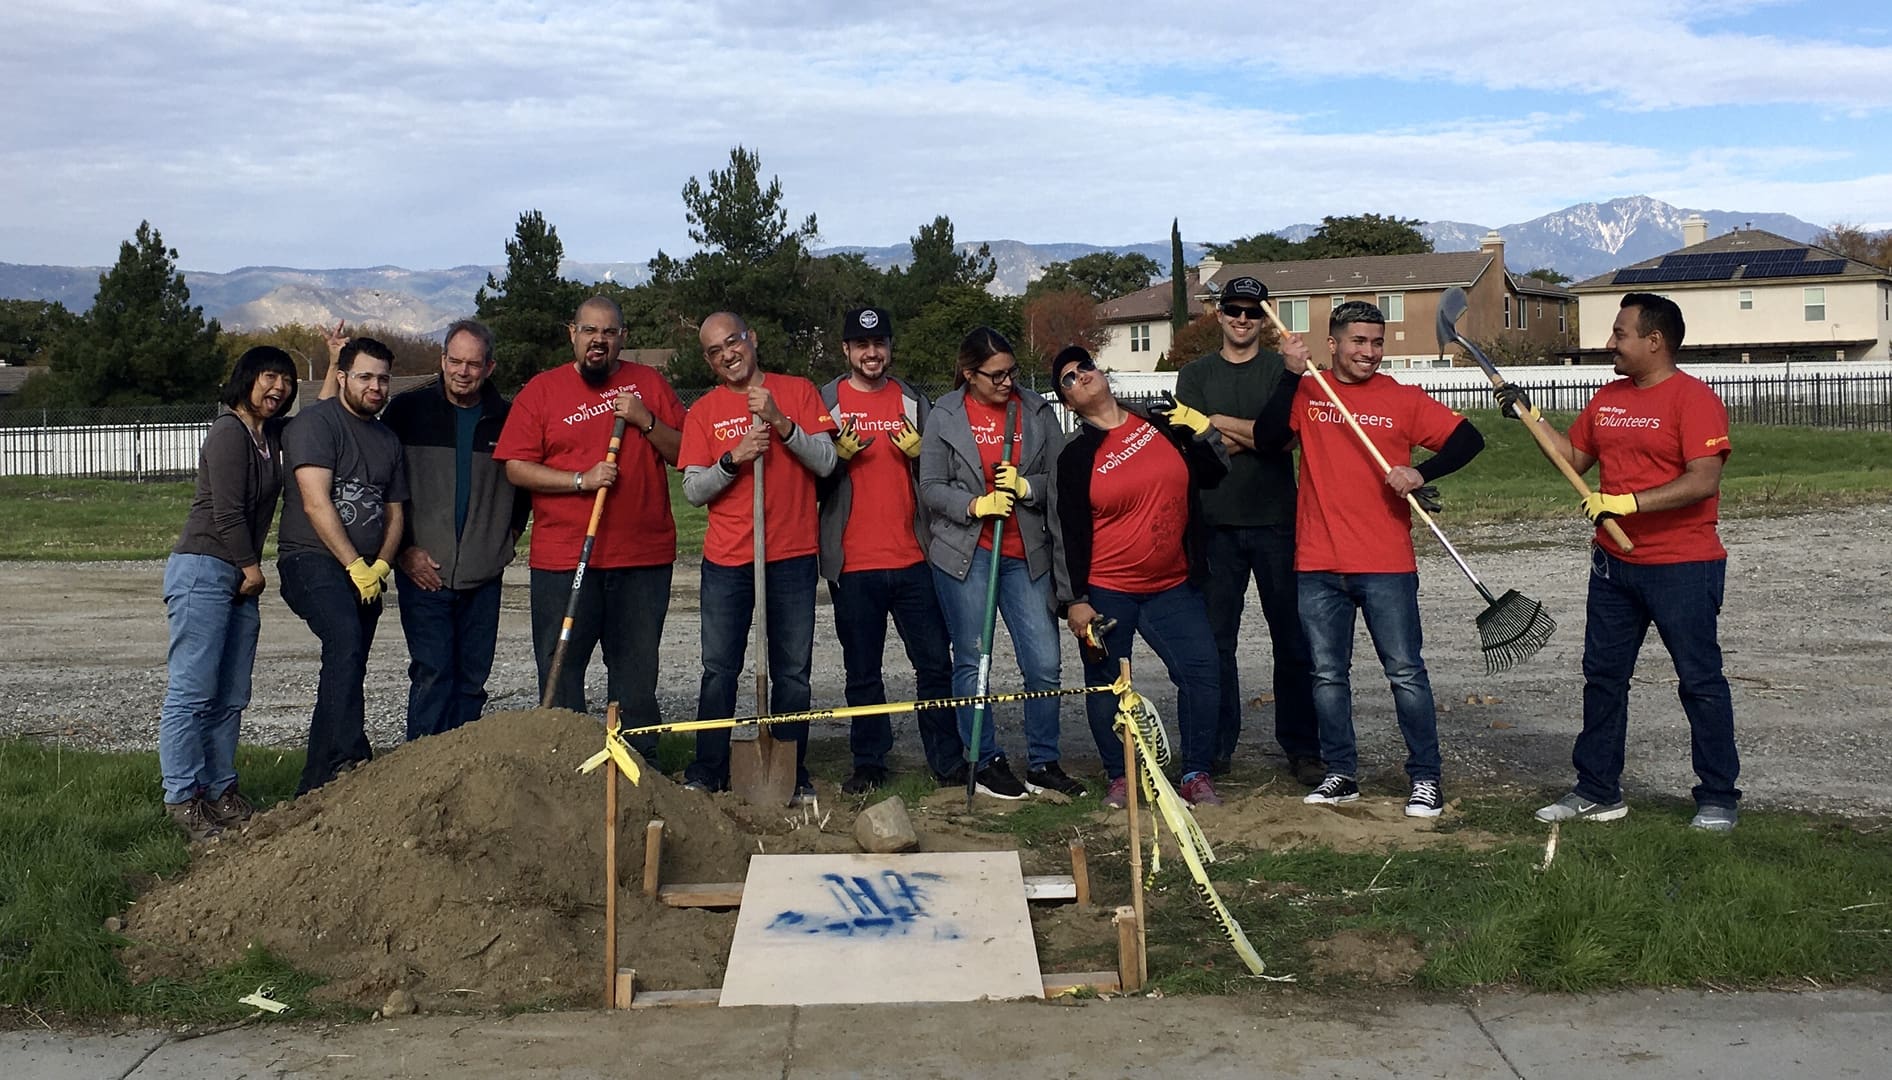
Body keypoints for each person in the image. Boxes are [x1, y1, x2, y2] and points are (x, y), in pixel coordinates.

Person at [1501, 293, 1741, 831]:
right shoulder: (1609, 398)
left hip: (1683, 566)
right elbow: (1572, 459)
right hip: (1613, 567)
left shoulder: (1693, 399)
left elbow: (1703, 480)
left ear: (1654, 341)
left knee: (1699, 680)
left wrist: (1626, 503)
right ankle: (1597, 790)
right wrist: (1530, 416)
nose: (1611, 343)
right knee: (1604, 678)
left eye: (1620, 333)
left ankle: (1718, 796)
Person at [1250, 301, 1485, 818]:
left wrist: (1422, 473)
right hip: (1317, 561)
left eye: (1377, 343)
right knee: (1327, 675)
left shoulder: (1401, 398)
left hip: (1386, 563)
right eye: (1358, 341)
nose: (1369, 352)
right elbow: (1267, 440)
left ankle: (1425, 777)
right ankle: (1341, 773)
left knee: (1405, 672)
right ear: (1332, 344)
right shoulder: (1309, 389)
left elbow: (1470, 438)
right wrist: (1289, 377)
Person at [494, 297, 685, 758]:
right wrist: (581, 480)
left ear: (623, 338)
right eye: (589, 331)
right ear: (572, 334)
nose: (598, 340)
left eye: (609, 332)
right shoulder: (541, 391)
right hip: (563, 560)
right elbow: (516, 467)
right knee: (561, 672)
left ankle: (641, 772)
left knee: (636, 678)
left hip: (642, 560)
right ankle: (568, 772)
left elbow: (683, 452)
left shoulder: (649, 384)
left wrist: (645, 419)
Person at [1047, 346, 1229, 809]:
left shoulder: (1159, 424)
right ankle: (1120, 776)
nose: (1080, 377)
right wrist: (1075, 601)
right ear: (1067, 404)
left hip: (1172, 585)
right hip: (1108, 590)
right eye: (1068, 379)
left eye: (1084, 366)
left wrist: (1202, 427)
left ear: (1100, 371)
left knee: (1202, 672)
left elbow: (1214, 473)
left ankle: (1196, 773)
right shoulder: (1075, 458)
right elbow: (1065, 531)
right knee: (1108, 682)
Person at [677, 312, 838, 799]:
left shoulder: (799, 390)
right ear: (709, 361)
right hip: (728, 559)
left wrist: (782, 424)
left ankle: (791, 768)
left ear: (753, 338)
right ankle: (709, 767)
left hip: (790, 554)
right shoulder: (703, 411)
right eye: (714, 350)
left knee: (793, 671)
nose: (727, 354)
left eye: (733, 342)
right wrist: (733, 459)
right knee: (718, 669)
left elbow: (828, 462)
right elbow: (692, 490)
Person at [919, 327, 1083, 800]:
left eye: (1011, 372)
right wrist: (975, 505)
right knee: (973, 660)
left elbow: (1061, 473)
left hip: (1024, 555)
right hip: (966, 557)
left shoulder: (1034, 409)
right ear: (969, 375)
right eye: (995, 376)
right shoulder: (945, 415)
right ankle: (985, 760)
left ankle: (1043, 762)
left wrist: (1027, 486)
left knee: (1045, 663)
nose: (1007, 382)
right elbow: (930, 486)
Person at [1172, 276, 1323, 785]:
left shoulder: (1286, 370)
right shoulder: (1194, 374)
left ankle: (1302, 749)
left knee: (1292, 640)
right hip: (1214, 526)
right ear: (1218, 314)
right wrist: (1255, 432)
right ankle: (1215, 750)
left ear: (1265, 317)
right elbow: (1195, 448)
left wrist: (1220, 424)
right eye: (1233, 310)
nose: (1242, 319)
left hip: (1278, 521)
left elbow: (1285, 440)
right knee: (1216, 643)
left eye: (1252, 312)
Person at [817, 307, 965, 793]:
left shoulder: (913, 402)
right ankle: (869, 761)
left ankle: (946, 759)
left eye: (879, 343)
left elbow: (944, 477)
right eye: (861, 345)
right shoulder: (827, 403)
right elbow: (804, 481)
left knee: (934, 664)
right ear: (846, 350)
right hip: (852, 563)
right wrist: (832, 463)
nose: (871, 353)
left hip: (913, 560)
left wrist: (922, 455)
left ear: (889, 347)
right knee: (862, 671)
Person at [158, 346, 298, 839]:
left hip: (238, 575)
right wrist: (249, 566)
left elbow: (321, 419)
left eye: (285, 379)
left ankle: (220, 789)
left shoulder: (270, 436)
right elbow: (226, 511)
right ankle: (182, 798)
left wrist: (334, 357)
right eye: (268, 376)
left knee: (232, 693)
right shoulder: (228, 432)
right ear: (247, 379)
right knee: (192, 691)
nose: (277, 387)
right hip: (205, 569)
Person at [378, 320, 526, 740]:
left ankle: (463, 774)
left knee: (472, 681)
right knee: (433, 673)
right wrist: (404, 550)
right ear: (442, 361)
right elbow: (385, 487)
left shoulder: (508, 420)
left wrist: (502, 546)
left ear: (489, 367)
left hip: (484, 576)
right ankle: (422, 771)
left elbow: (523, 495)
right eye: (455, 361)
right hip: (423, 572)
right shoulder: (407, 413)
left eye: (473, 364)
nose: (463, 371)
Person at [278, 337, 408, 795]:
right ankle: (316, 778)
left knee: (352, 660)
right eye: (365, 377)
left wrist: (382, 566)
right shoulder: (316, 425)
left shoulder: (387, 438)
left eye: (383, 378)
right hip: (310, 561)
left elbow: (395, 512)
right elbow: (315, 504)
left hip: (366, 570)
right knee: (346, 640)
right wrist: (354, 564)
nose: (376, 386)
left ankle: (350, 755)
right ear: (343, 377)